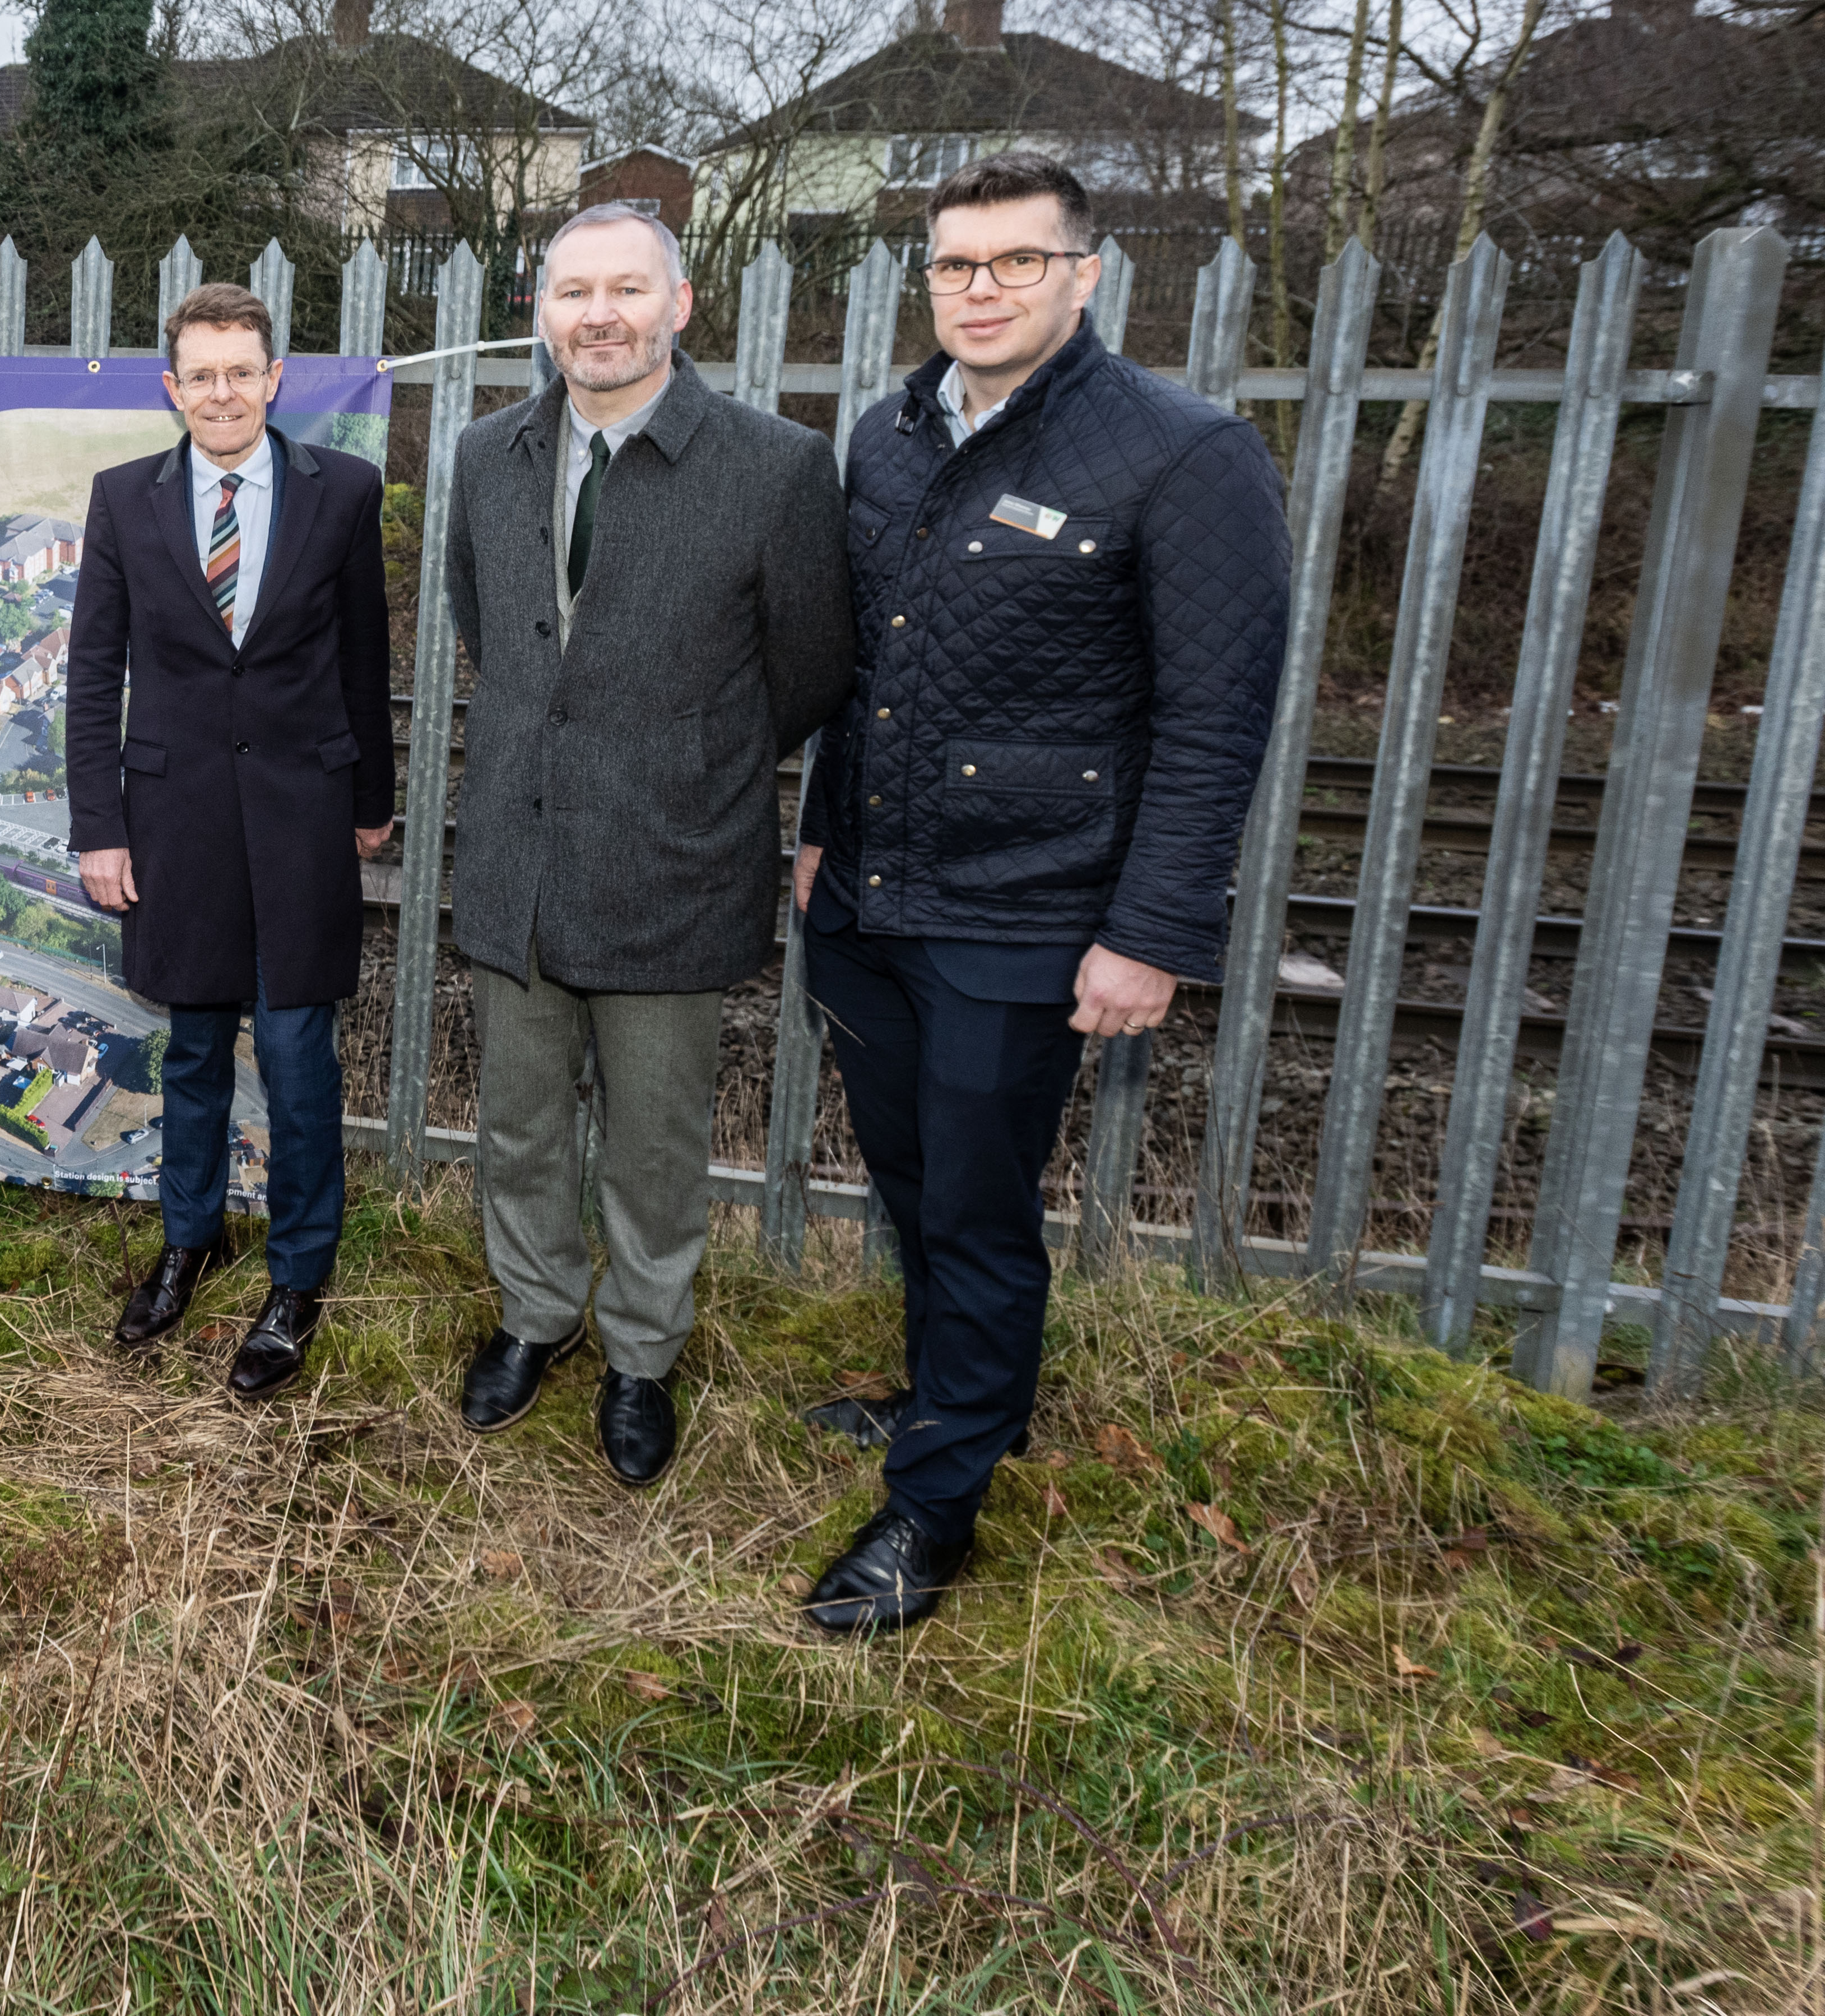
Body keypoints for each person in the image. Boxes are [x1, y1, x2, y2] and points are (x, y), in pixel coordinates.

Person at [791, 149, 1289, 1634]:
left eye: (1016, 261)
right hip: (873, 900)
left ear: (1085, 271)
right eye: (956, 263)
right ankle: (955, 1401)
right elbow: (856, 668)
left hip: (1029, 909)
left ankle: (935, 1507)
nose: (983, 288)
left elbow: (1215, 720)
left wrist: (1152, 929)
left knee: (984, 1203)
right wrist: (819, 828)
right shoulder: (889, 434)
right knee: (915, 1179)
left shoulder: (1184, 453)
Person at [442, 202, 853, 1484]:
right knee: (515, 1126)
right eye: (574, 291)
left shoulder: (772, 466)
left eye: (628, 288)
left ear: (682, 303)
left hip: (673, 865)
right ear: (542, 311)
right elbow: (494, 638)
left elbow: (810, 671)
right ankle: (536, 1316)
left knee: (656, 1144)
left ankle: (639, 1351)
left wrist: (675, 764)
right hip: (520, 862)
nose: (600, 314)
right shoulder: (484, 453)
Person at [67, 282, 395, 1401]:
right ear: (174, 388)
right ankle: (187, 1244)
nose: (221, 390)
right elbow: (90, 677)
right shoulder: (125, 502)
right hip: (177, 828)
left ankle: (299, 1279)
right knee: (197, 1055)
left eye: (239, 370)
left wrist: (372, 801)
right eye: (199, 373)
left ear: (273, 379)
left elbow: (364, 661)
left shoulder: (343, 493)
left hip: (303, 823)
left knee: (301, 1064)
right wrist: (99, 827)